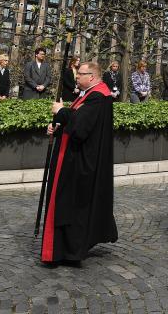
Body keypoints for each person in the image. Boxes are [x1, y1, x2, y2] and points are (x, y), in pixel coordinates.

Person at [40, 61, 117, 266]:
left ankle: (69, 251)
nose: (76, 77)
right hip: (72, 157)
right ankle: (65, 250)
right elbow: (75, 122)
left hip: (80, 162)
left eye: (80, 73)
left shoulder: (98, 97)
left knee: (71, 205)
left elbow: (81, 128)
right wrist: (56, 128)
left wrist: (61, 112)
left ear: (91, 76)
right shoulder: (88, 95)